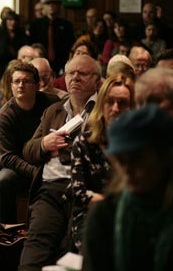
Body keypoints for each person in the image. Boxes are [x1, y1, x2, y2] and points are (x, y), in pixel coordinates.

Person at [20, 54, 100, 270]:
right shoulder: (53, 111)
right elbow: (28, 150)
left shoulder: (104, 111)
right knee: (33, 256)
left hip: (86, 188)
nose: (75, 78)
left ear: (96, 80)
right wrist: (45, 144)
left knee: (76, 256)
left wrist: (68, 149)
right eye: (70, 73)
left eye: (82, 73)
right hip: (50, 189)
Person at [83, 104, 173, 271]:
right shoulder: (106, 215)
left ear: (164, 157)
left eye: (137, 159)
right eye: (121, 161)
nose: (128, 170)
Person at [69, 74, 135, 253]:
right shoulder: (84, 143)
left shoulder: (139, 146)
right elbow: (81, 195)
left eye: (122, 103)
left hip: (132, 218)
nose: (115, 109)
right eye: (110, 101)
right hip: (91, 218)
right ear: (101, 104)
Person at [0, 61, 60, 224]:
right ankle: (5, 231)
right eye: (16, 81)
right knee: (2, 179)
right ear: (11, 85)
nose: (20, 85)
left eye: (26, 81)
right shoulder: (5, 115)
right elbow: (8, 158)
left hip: (50, 161)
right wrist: (35, 173)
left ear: (37, 85)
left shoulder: (52, 103)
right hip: (21, 168)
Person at [28, 0, 75, 75]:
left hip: (61, 63)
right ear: (44, 7)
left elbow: (71, 45)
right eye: (48, 4)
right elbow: (31, 44)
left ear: (58, 7)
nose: (51, 6)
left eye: (54, 4)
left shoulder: (66, 25)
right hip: (40, 61)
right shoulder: (35, 24)